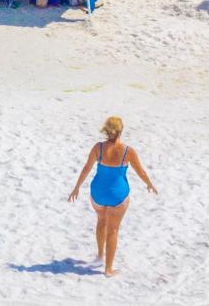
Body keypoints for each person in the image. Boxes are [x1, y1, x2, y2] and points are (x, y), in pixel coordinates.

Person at [67, 114, 157, 277]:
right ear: (121, 131)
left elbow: (86, 168)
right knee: (113, 230)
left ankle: (100, 255)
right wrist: (149, 184)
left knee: (101, 220)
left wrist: (77, 188)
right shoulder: (127, 152)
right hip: (117, 195)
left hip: (98, 193)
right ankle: (108, 269)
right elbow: (141, 172)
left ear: (106, 131)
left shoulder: (98, 148)